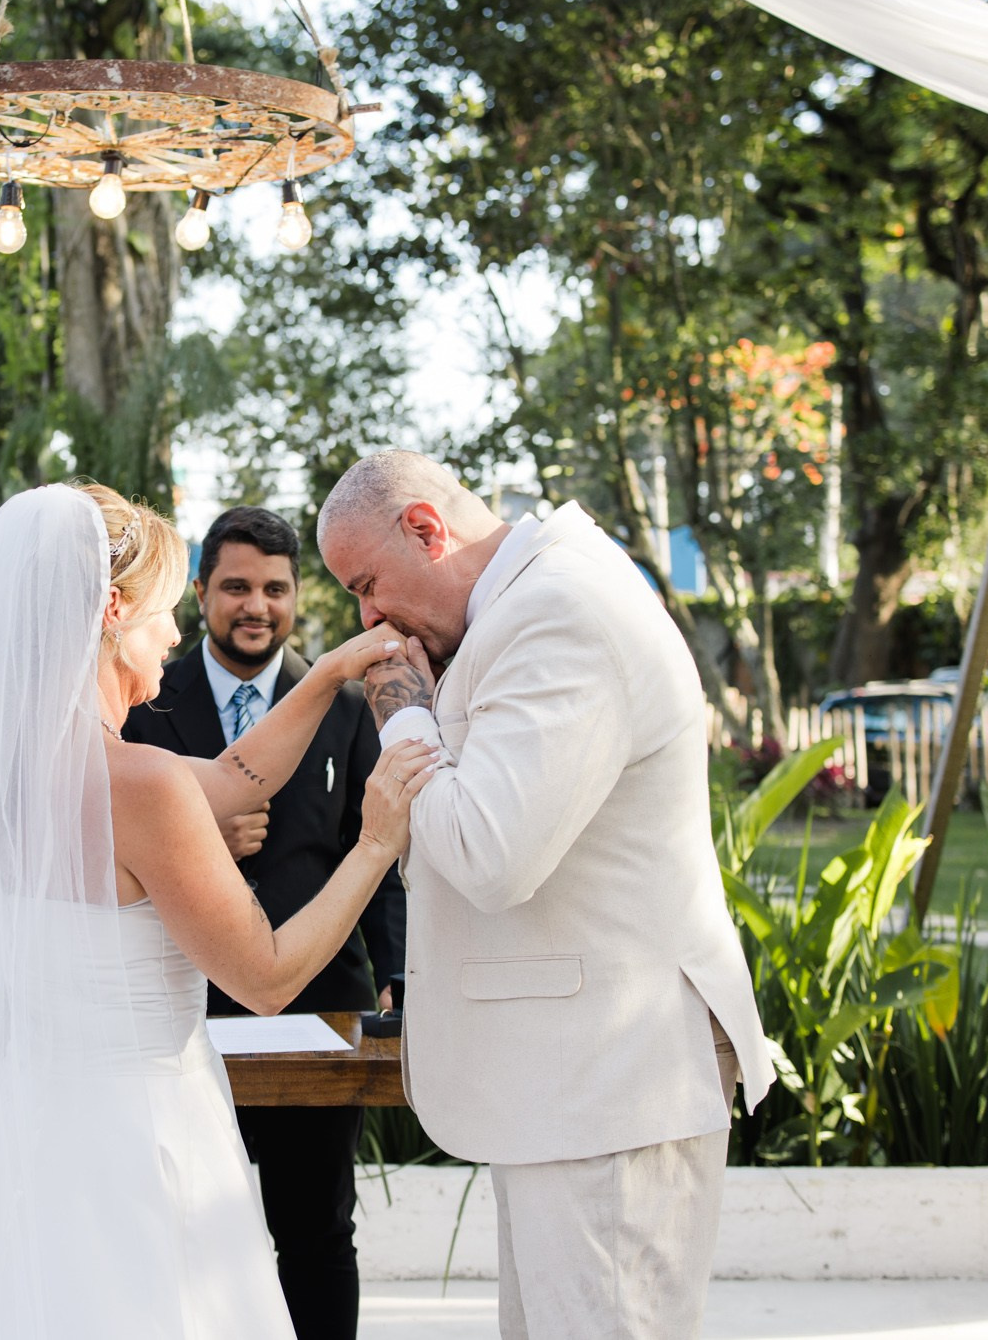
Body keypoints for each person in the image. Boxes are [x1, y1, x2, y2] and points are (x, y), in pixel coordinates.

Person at [0, 483, 436, 1339]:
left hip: (14, 1135)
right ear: (111, 610)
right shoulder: (142, 783)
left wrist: (327, 672)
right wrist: (374, 842)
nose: (176, 634)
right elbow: (265, 974)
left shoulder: (2, 775)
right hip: (136, 1146)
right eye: (165, 611)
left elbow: (222, 780)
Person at [315, 450, 774, 1340]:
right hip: (568, 1086)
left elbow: (491, 851)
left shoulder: (560, 609)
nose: (367, 617)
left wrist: (405, 715)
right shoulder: (526, 604)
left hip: (608, 1081)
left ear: (425, 527)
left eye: (367, 584)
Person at [124, 505, 406, 1340]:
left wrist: (400, 971)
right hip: (184, 1005)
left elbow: (377, 850)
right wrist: (199, 830)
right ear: (203, 590)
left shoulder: (346, 702)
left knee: (317, 1231)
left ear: (295, 596)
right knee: (186, 1229)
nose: (258, 605)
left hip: (316, 1004)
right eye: (237, 586)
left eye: (276, 589)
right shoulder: (142, 694)